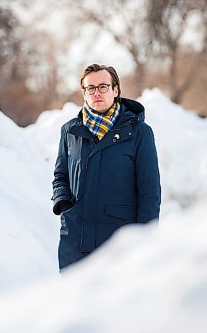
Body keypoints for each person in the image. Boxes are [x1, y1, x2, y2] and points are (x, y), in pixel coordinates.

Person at [52, 64, 161, 270]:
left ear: (115, 90)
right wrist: (65, 205)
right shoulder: (69, 131)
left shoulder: (139, 133)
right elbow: (61, 175)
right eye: (90, 88)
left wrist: (146, 240)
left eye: (103, 87)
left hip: (119, 243)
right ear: (84, 93)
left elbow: (150, 192)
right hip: (76, 239)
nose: (97, 93)